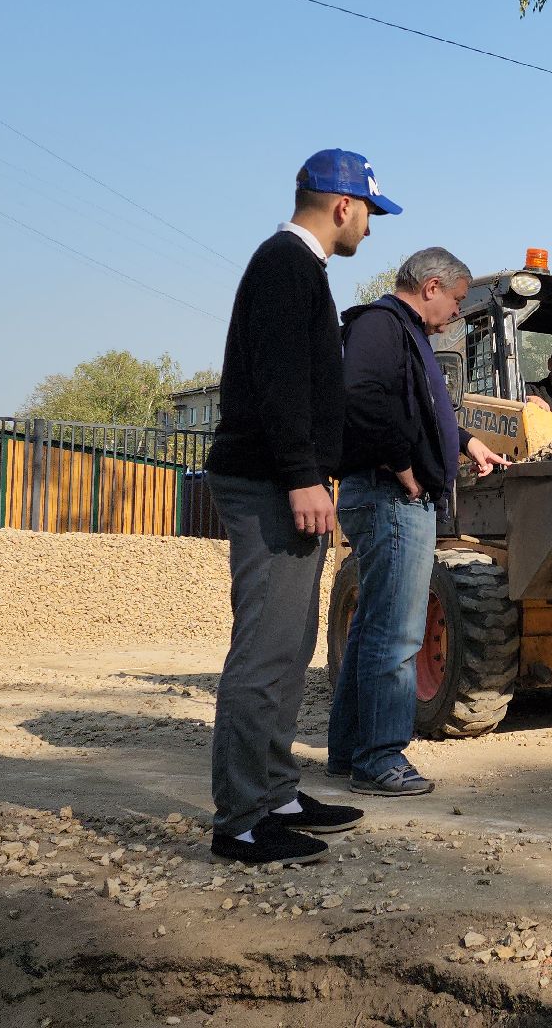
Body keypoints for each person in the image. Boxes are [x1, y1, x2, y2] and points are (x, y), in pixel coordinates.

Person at [204, 149, 398, 866]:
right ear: (341, 204)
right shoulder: (286, 264)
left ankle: (276, 792)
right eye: (371, 214)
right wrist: (301, 475)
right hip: (268, 484)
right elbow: (282, 383)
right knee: (266, 649)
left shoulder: (298, 269)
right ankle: (242, 821)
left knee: (291, 647)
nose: (371, 231)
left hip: (283, 480)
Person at [334, 248, 511, 796]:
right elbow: (361, 397)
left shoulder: (407, 335)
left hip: (394, 495)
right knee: (397, 633)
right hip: (390, 497)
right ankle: (380, 758)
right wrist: (403, 467)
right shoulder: (381, 327)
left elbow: (423, 413)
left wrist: (468, 442)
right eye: (457, 300)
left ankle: (351, 751)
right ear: (431, 286)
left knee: (370, 629)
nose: (458, 313)